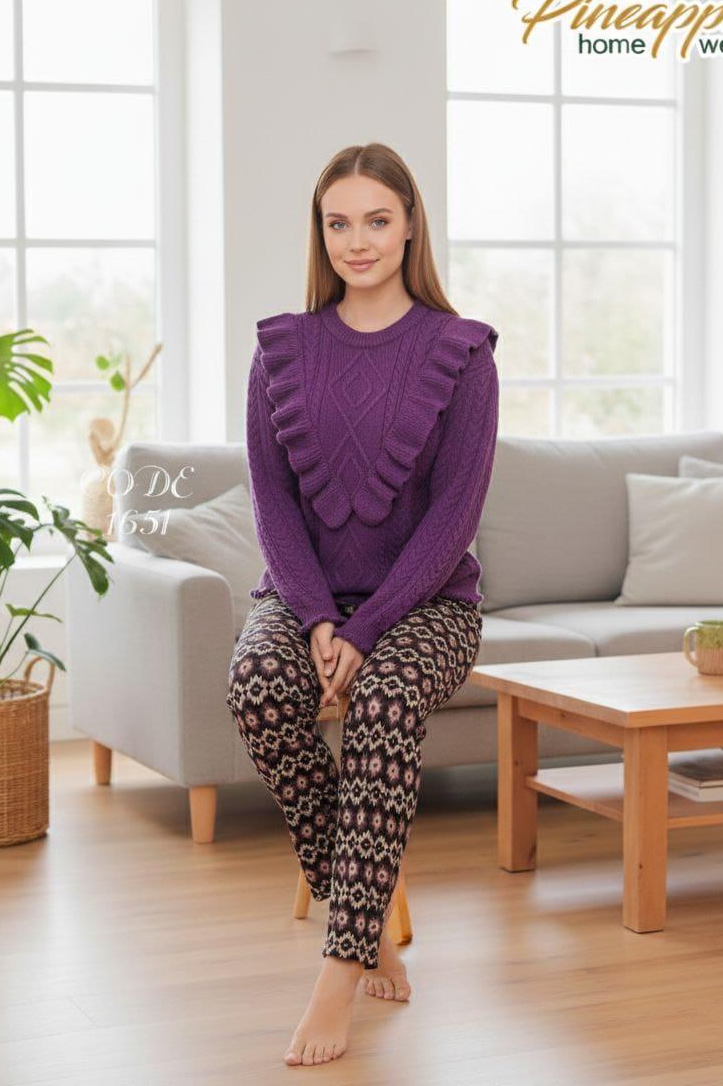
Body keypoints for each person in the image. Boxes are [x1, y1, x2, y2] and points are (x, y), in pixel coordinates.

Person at [227, 141, 499, 1067]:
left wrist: (368, 628)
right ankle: (367, 915)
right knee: (259, 689)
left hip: (428, 603)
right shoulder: (280, 351)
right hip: (305, 598)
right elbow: (272, 506)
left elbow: (454, 518)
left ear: (411, 224)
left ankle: (339, 972)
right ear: (321, 232)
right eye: (338, 223)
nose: (358, 241)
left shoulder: (462, 353)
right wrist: (315, 620)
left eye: (377, 220)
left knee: (383, 699)